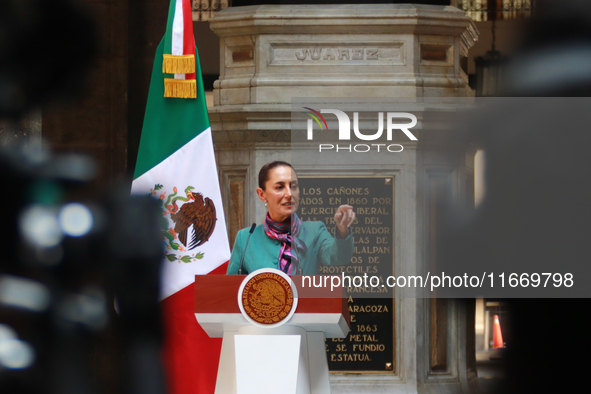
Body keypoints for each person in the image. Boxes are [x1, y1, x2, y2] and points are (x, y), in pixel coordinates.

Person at [227, 161, 355, 275]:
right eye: (280, 187)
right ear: (261, 194)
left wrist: (342, 230)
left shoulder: (315, 230)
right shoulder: (246, 238)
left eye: (293, 186)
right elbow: (231, 290)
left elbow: (339, 257)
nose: (289, 194)